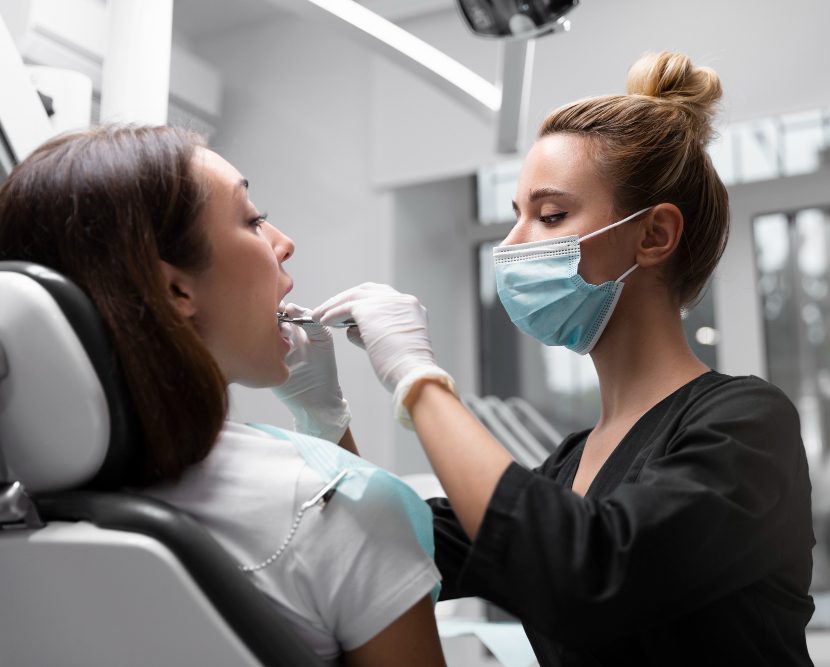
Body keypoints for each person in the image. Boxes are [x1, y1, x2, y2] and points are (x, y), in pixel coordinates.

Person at [311, 52, 816, 665]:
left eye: (550, 216)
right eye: (516, 215)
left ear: (654, 234)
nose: (512, 244)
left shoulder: (745, 423)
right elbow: (391, 549)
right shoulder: (570, 464)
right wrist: (321, 413)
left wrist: (417, 379)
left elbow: (588, 574)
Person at [0, 125, 446, 667]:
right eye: (252, 219)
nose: (283, 243)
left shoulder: (21, 512)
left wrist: (323, 424)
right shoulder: (340, 509)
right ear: (176, 290)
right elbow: (343, 533)